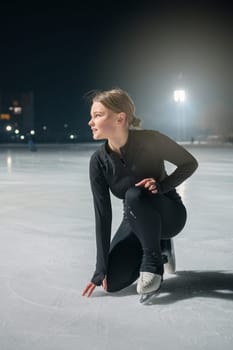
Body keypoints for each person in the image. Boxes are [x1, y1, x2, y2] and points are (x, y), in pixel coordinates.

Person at [82, 88, 198, 299]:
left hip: (169, 214)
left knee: (135, 194)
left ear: (120, 118)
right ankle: (158, 247)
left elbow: (189, 163)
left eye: (97, 115)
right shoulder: (98, 162)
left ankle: (153, 264)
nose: (91, 122)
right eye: (91, 116)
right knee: (112, 282)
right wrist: (101, 269)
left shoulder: (151, 140)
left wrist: (162, 186)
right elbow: (103, 215)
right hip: (135, 219)